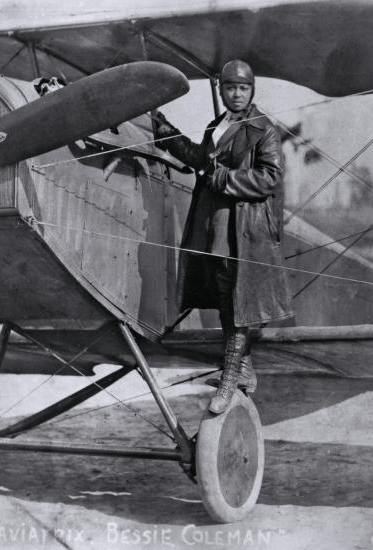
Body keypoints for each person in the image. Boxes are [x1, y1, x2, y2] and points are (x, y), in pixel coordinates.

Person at [152, 59, 294, 414]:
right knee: (224, 295)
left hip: (242, 229)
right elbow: (200, 157)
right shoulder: (217, 125)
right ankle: (244, 371)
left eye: (242, 88)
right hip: (214, 225)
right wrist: (165, 130)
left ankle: (230, 379)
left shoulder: (264, 130)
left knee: (236, 302)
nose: (236, 93)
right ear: (222, 90)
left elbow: (269, 178)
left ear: (252, 91)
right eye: (230, 88)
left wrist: (224, 180)